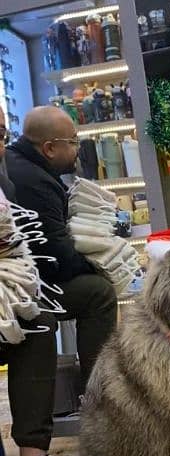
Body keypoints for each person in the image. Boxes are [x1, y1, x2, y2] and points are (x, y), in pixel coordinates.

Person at [5, 105, 117, 396]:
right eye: (74, 142)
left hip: (19, 281)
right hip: (24, 290)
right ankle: (99, 396)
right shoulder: (36, 181)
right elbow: (56, 256)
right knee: (99, 292)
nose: (78, 149)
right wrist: (99, 265)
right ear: (50, 148)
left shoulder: (20, 168)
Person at [0, 107, 79, 456]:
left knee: (36, 324)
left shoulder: (6, 180)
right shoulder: (24, 176)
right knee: (93, 295)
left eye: (1, 131)